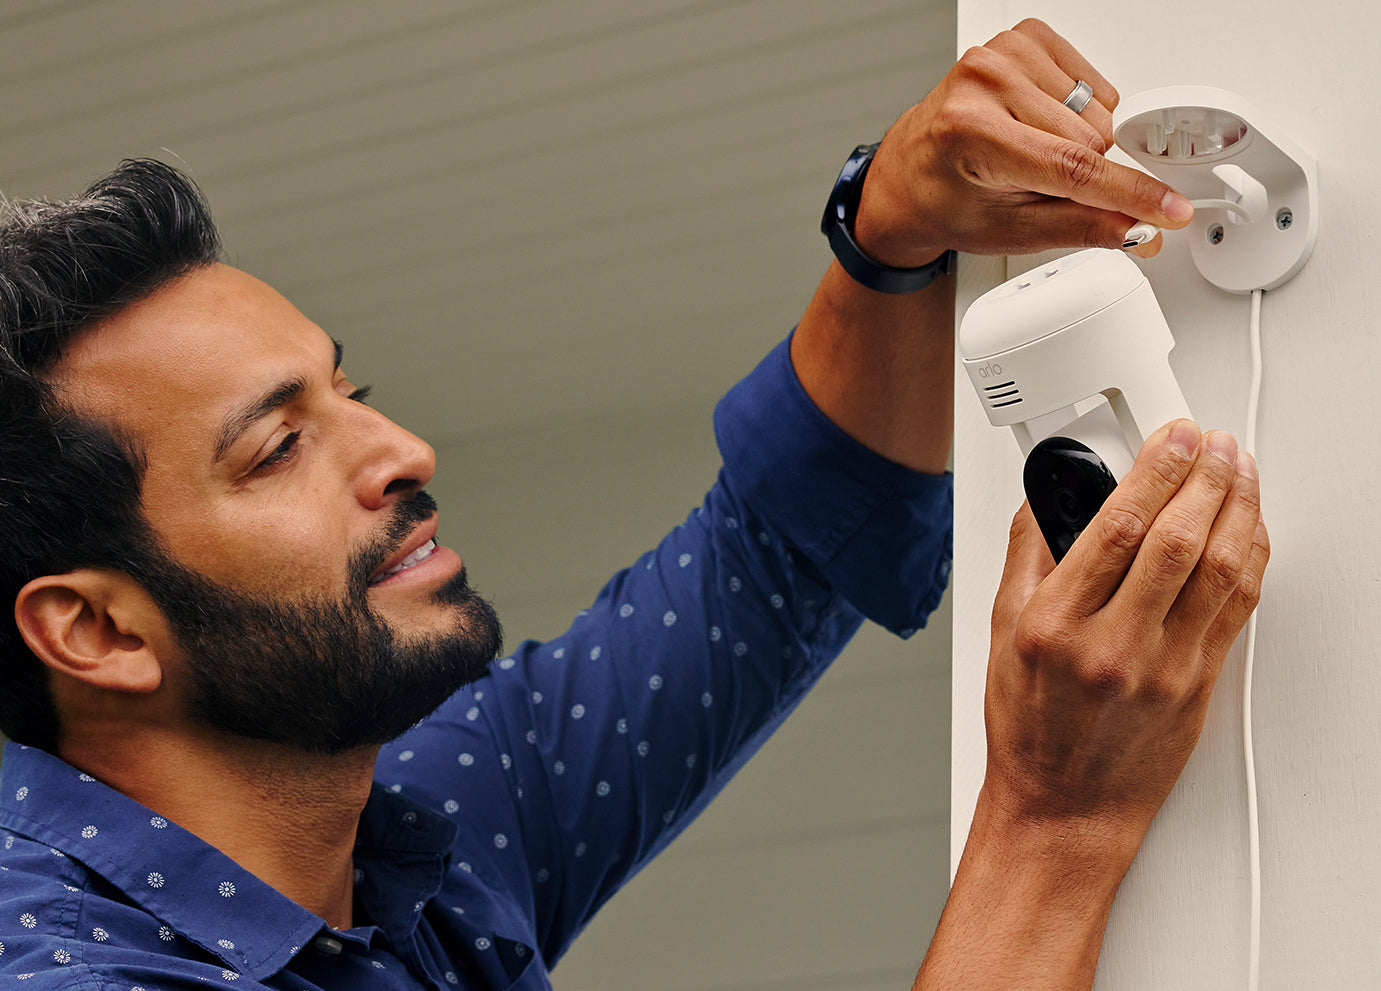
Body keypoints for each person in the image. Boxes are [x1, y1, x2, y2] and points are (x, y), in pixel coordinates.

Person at [0, 19, 1265, 991]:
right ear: (96, 631)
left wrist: (888, 226)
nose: (400, 450)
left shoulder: (411, 845)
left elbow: (777, 552)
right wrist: (1054, 820)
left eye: (353, 392)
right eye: (279, 447)